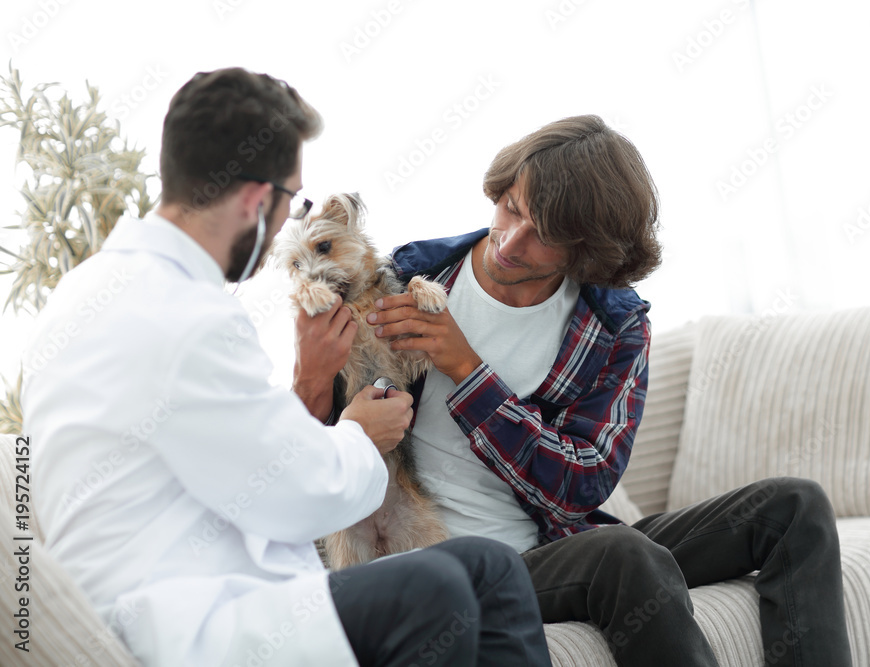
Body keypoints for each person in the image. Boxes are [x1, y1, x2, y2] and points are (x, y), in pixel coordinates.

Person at [20, 68, 551, 667]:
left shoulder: (80, 295)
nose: (285, 225)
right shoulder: (184, 312)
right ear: (255, 198)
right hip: (192, 625)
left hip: (172, 601)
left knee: (491, 568)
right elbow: (298, 493)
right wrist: (359, 433)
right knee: (437, 591)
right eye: (290, 200)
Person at [366, 114, 853, 666]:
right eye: (513, 209)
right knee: (620, 553)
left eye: (545, 235)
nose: (510, 241)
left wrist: (468, 372)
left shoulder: (614, 324)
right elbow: (320, 443)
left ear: (586, 248)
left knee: (795, 507)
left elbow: (582, 482)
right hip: (452, 562)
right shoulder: (412, 278)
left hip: (551, 547)